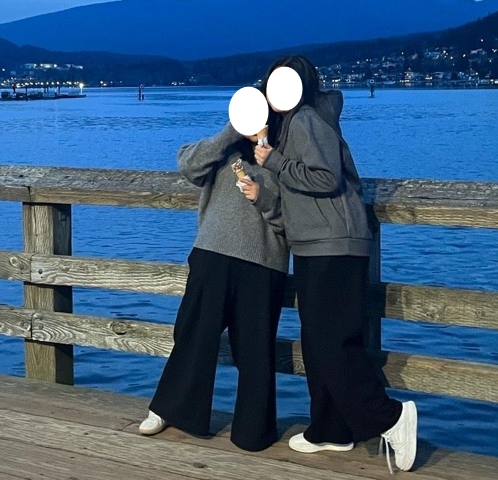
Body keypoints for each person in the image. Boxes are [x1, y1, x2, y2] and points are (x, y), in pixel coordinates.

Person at [255, 55, 418, 472]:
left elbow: (326, 177)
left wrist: (274, 161)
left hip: (335, 244)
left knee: (332, 343)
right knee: (317, 342)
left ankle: (390, 417)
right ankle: (331, 428)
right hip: (315, 245)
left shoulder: (308, 119)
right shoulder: (293, 122)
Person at [138, 118, 289, 451]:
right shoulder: (224, 150)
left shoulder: (284, 158)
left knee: (255, 351)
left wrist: (263, 198)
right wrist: (231, 132)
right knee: (192, 334)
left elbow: (293, 219)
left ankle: (255, 430)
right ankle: (170, 409)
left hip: (264, 262)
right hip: (213, 252)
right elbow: (187, 164)